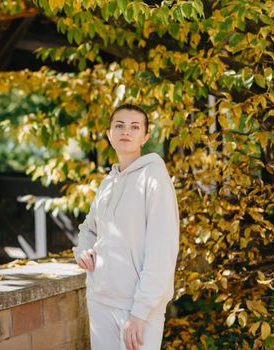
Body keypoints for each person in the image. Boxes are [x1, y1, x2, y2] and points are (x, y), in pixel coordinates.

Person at [73, 103, 180, 350]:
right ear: (109, 134)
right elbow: (88, 229)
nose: (126, 132)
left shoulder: (154, 177)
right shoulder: (108, 182)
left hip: (137, 307)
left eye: (134, 127)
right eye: (119, 126)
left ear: (145, 136)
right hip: (100, 299)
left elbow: (162, 250)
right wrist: (82, 251)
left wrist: (140, 312)